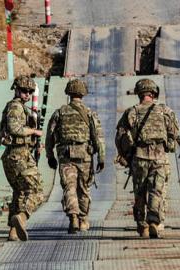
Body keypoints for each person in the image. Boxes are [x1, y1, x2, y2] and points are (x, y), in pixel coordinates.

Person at [115, 78, 180, 239]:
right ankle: (154, 220)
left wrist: (123, 154)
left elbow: (119, 135)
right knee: (157, 190)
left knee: (139, 192)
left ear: (139, 93)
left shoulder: (132, 112)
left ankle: (143, 226)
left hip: (139, 157)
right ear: (154, 93)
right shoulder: (165, 111)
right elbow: (178, 134)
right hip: (160, 157)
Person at [45, 79, 105, 234]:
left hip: (65, 156)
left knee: (69, 187)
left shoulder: (59, 113)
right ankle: (83, 219)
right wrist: (101, 158)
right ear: (83, 94)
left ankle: (73, 216)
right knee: (84, 189)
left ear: (68, 93)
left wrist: (50, 156)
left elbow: (50, 136)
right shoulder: (90, 113)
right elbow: (98, 137)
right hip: (85, 155)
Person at [0, 75, 44, 241]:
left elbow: (2, 131)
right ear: (16, 89)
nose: (27, 95)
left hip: (12, 155)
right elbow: (14, 128)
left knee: (20, 193)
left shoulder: (12, 108)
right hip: (19, 155)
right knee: (37, 191)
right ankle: (22, 218)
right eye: (24, 91)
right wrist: (33, 132)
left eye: (30, 92)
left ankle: (13, 232)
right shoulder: (16, 107)